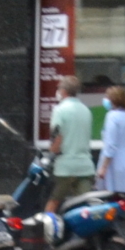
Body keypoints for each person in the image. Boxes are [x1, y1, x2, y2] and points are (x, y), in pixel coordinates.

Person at [96, 84, 125, 245]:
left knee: (111, 196)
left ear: (113, 100)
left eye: (107, 97)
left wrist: (103, 167)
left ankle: (109, 233)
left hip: (116, 162)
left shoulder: (112, 116)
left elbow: (111, 145)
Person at [47, 75, 95, 209]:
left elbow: (57, 138)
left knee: (54, 201)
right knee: (85, 206)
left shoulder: (60, 110)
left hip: (65, 167)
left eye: (59, 89)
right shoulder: (86, 111)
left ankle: (46, 228)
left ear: (63, 91)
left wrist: (50, 155)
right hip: (85, 166)